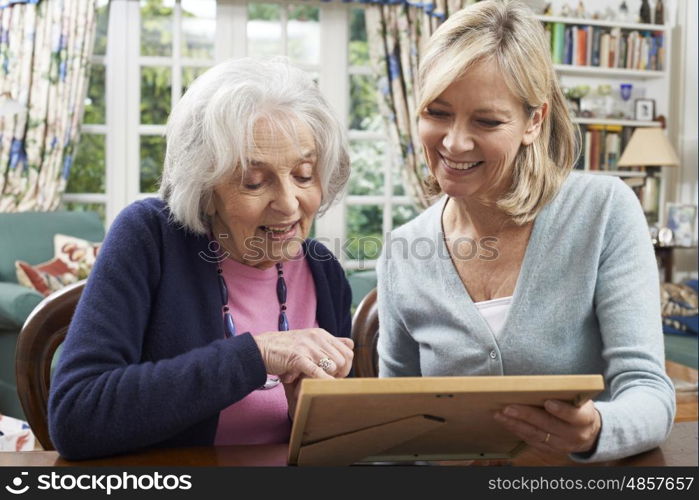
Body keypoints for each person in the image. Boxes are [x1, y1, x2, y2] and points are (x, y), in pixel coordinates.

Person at [376, 0, 675, 462]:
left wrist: (595, 429)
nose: (454, 142)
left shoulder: (603, 211)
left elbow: (650, 393)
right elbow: (394, 426)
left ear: (534, 121)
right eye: (437, 112)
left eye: (487, 121)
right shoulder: (402, 251)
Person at [48, 57, 354, 460]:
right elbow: (77, 415)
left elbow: (339, 445)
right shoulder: (150, 237)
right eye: (254, 182)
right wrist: (255, 355)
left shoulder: (323, 270)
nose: (287, 204)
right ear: (205, 186)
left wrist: (317, 420)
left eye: (303, 174)